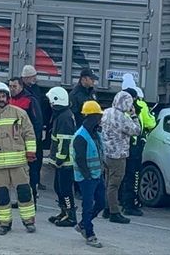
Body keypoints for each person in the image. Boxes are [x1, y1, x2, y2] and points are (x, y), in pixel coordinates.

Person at [0, 81, 38, 235]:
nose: (1, 99)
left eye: (3, 96)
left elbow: (29, 134)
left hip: (19, 164)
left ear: (7, 96)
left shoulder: (20, 114)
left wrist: (31, 152)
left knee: (25, 193)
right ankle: (4, 224)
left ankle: (29, 222)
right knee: (1, 196)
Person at [99, 90, 141, 224]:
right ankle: (114, 212)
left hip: (106, 153)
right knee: (114, 184)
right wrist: (134, 115)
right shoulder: (123, 118)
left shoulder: (106, 112)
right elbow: (137, 131)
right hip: (118, 155)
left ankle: (107, 208)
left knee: (107, 182)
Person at [120, 74, 156, 217]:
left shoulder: (117, 105)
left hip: (120, 146)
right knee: (133, 175)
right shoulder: (140, 106)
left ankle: (116, 202)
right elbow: (150, 123)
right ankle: (130, 204)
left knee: (117, 176)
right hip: (134, 147)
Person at [72, 100, 105, 248]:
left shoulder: (95, 133)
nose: (100, 119)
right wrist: (87, 176)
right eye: (98, 117)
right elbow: (79, 159)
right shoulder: (81, 136)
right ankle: (89, 234)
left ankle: (83, 224)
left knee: (101, 203)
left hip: (97, 175)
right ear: (91, 117)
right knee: (88, 206)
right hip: (87, 178)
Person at [46, 86, 77, 228]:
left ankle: (70, 216)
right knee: (58, 187)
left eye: (51, 101)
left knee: (65, 189)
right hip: (62, 163)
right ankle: (63, 211)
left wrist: (59, 160)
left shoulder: (64, 118)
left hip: (65, 163)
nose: (50, 104)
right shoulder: (63, 115)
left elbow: (65, 141)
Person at [8, 76, 43, 199]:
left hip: (28, 143)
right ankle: (20, 198)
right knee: (17, 173)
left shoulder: (30, 100)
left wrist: (33, 144)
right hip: (14, 144)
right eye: (10, 86)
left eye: (14, 86)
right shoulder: (8, 100)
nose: (12, 89)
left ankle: (32, 199)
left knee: (31, 173)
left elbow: (37, 123)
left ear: (21, 87)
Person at [21, 64, 50, 191]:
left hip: (36, 130)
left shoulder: (35, 88)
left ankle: (37, 181)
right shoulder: (23, 91)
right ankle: (29, 182)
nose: (35, 78)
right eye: (33, 76)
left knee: (38, 157)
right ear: (26, 78)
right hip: (28, 131)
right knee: (29, 158)